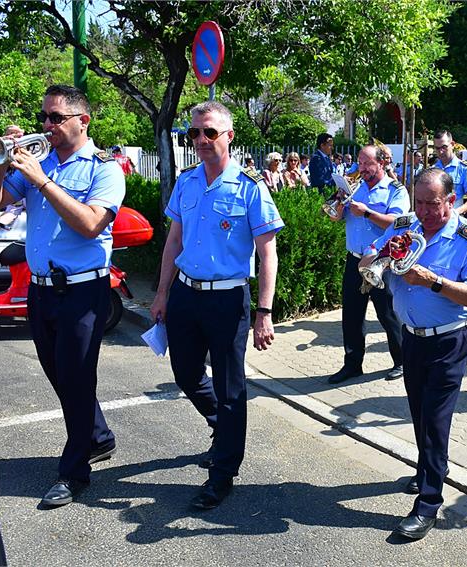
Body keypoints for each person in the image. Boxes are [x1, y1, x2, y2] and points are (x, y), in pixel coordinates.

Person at [0, 84, 125, 507]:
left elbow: (90, 224)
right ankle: (99, 436)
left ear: (81, 120)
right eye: (44, 117)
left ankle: (74, 472)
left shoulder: (104, 168)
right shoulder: (39, 161)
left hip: (84, 290)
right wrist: (2, 159)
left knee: (75, 376)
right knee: (60, 375)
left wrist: (43, 181)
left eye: (55, 118)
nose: (46, 125)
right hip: (41, 290)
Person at [150, 101, 283, 509]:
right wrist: (161, 293)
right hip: (186, 295)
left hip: (228, 299)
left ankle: (223, 472)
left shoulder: (249, 186)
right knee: (185, 373)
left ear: (229, 135)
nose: (202, 141)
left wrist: (264, 311)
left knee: (230, 388)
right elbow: (174, 241)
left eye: (210, 132)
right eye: (195, 133)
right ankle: (220, 426)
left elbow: (267, 253)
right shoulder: (187, 182)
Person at [359, 167, 467, 540]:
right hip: (411, 336)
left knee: (435, 418)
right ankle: (429, 468)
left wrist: (433, 281)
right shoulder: (404, 226)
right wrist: (378, 256)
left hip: (450, 339)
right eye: (418, 202)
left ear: (451, 200)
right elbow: (365, 265)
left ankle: (429, 502)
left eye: (432, 204)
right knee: (418, 410)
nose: (424, 211)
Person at [326, 145, 409, 385]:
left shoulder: (396, 190)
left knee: (389, 314)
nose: (361, 168)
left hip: (381, 260)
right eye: (360, 163)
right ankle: (352, 364)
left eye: (366, 164)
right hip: (354, 259)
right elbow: (335, 218)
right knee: (351, 315)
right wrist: (339, 205)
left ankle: (402, 361)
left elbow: (398, 223)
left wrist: (368, 213)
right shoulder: (358, 188)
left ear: (381, 163)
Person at [431, 131, 467, 217]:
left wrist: (456, 212)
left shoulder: (464, 169)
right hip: (434, 218)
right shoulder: (432, 170)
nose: (441, 151)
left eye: (444, 147)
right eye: (437, 148)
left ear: (452, 144)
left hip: (455, 218)